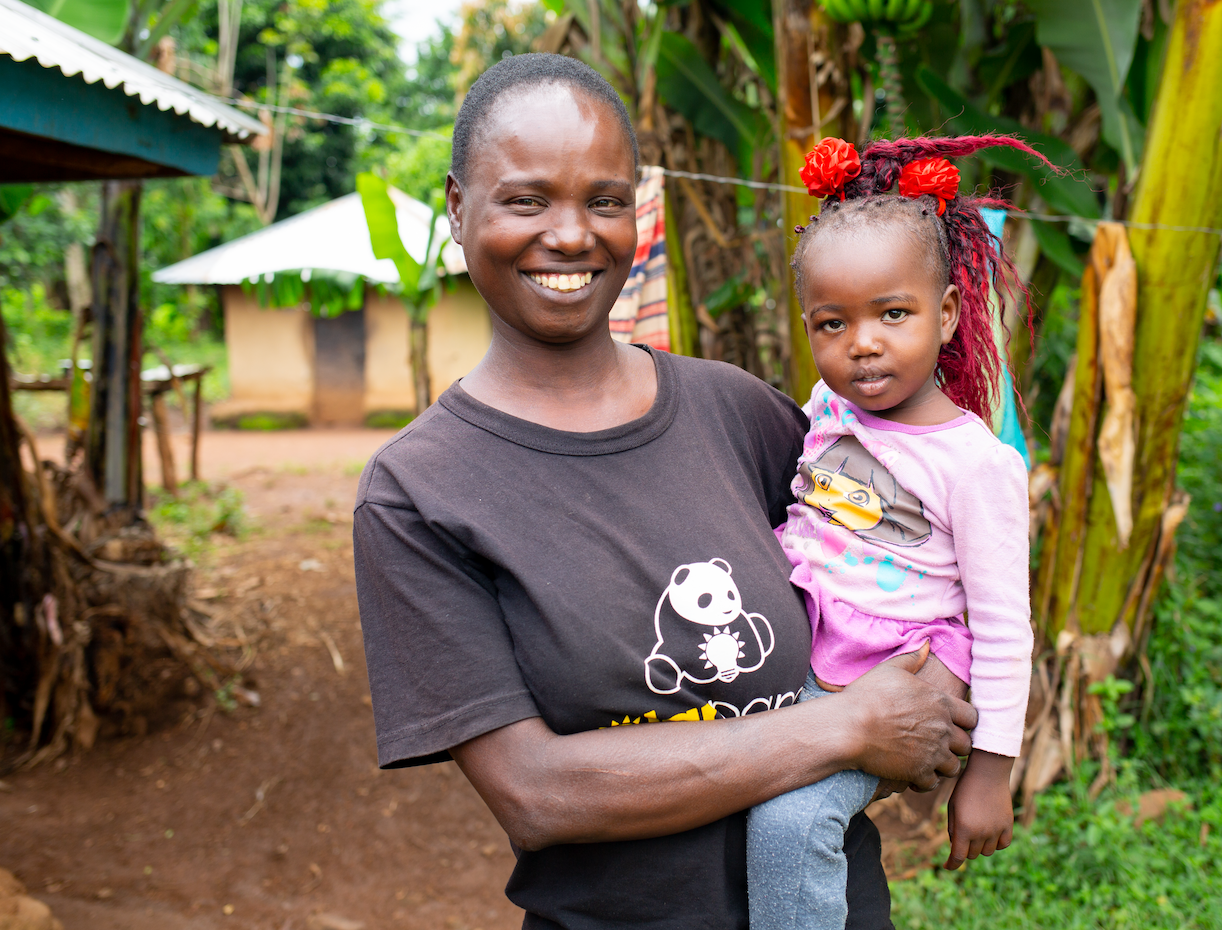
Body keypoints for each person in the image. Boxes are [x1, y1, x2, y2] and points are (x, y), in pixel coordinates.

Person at [352, 53, 978, 930]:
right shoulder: (420, 495)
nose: (572, 236)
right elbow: (537, 794)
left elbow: (916, 554)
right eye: (528, 199)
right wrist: (842, 730)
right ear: (459, 207)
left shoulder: (739, 414)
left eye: (605, 201)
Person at [745, 136, 1039, 930]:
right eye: (832, 323)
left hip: (898, 676)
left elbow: (1006, 627)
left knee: (788, 823)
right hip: (809, 649)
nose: (862, 342)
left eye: (894, 314)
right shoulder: (827, 403)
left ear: (946, 315)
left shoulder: (973, 463)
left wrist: (989, 773)